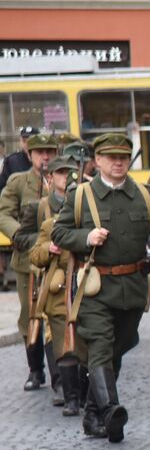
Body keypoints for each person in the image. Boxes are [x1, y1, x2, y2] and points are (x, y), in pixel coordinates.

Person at [51, 133, 150, 442]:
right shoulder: (81, 195)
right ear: (98, 160)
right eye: (111, 157)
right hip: (95, 288)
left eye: (123, 157)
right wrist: (86, 237)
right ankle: (112, 410)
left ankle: (92, 413)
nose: (118, 162)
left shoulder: (145, 195)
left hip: (132, 288)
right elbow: (59, 233)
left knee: (117, 349)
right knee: (100, 346)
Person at [17, 155, 81, 415]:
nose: (67, 177)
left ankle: (85, 391)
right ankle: (64, 389)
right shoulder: (42, 209)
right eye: (61, 172)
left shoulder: (85, 204)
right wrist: (48, 248)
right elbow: (28, 243)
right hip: (54, 283)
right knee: (57, 338)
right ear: (51, 177)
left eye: (70, 172)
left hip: (81, 280)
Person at [0, 132, 60, 392]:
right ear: (30, 154)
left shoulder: (63, 179)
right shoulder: (18, 182)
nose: (45, 157)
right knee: (29, 315)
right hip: (27, 262)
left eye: (50, 152)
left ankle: (61, 375)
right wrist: (21, 235)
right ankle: (35, 369)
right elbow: (3, 214)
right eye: (40, 153)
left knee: (58, 314)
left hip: (59, 260)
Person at [0, 125, 37, 194]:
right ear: (20, 142)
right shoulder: (11, 161)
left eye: (31, 141)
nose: (27, 144)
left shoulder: (46, 158)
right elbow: (2, 186)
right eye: (24, 141)